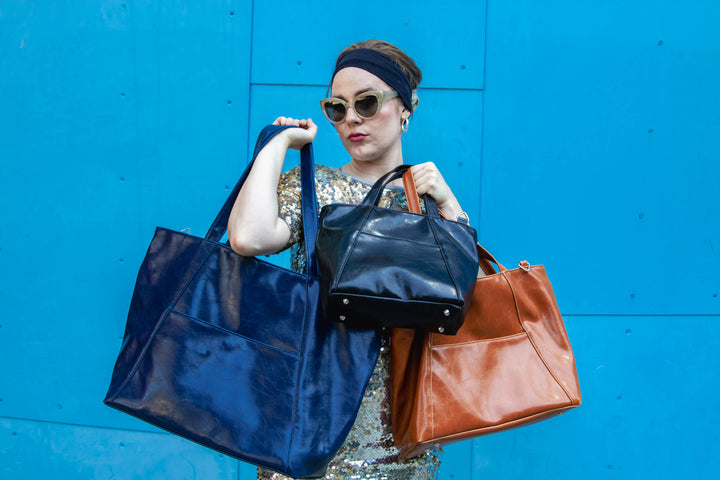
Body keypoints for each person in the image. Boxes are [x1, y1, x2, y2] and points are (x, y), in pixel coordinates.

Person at [228, 39, 467, 480]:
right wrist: (276, 146)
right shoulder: (315, 187)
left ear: (405, 109)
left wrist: (451, 208)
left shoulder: (428, 201)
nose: (351, 118)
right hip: (309, 431)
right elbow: (247, 237)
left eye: (367, 102)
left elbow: (462, 311)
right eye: (337, 108)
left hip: (401, 442)